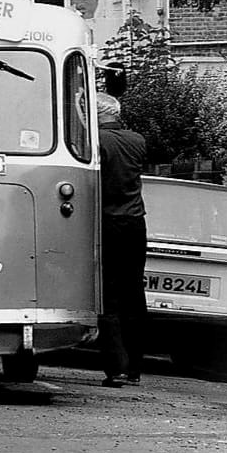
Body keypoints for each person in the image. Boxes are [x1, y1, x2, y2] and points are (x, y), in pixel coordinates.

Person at [96, 92, 148, 387]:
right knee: (134, 293)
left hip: (107, 220)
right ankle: (135, 368)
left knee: (110, 295)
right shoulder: (137, 140)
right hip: (135, 222)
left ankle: (116, 367)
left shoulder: (94, 142)